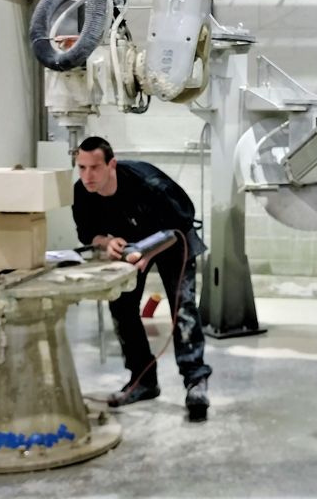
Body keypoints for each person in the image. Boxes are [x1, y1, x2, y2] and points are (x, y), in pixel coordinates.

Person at [71, 135, 212, 422]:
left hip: (171, 240)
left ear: (112, 164)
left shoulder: (147, 183)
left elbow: (182, 221)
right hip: (131, 246)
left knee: (181, 307)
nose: (88, 176)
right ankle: (143, 380)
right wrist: (105, 242)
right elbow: (88, 233)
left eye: (95, 167)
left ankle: (195, 381)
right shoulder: (82, 192)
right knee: (121, 306)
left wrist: (150, 253)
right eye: (82, 168)